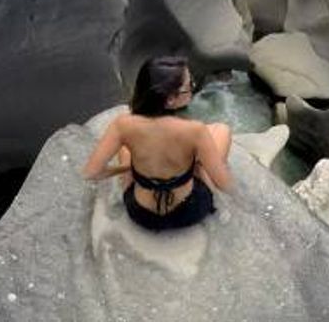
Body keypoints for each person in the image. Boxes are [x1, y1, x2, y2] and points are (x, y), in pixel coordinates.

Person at [82, 55, 233, 231]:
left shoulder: (123, 124)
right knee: (221, 130)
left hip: (140, 213)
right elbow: (226, 184)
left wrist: (126, 169)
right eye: (188, 86)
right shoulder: (194, 130)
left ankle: (125, 186)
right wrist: (199, 166)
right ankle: (196, 173)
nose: (192, 89)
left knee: (125, 147)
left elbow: (90, 173)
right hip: (189, 210)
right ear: (170, 99)